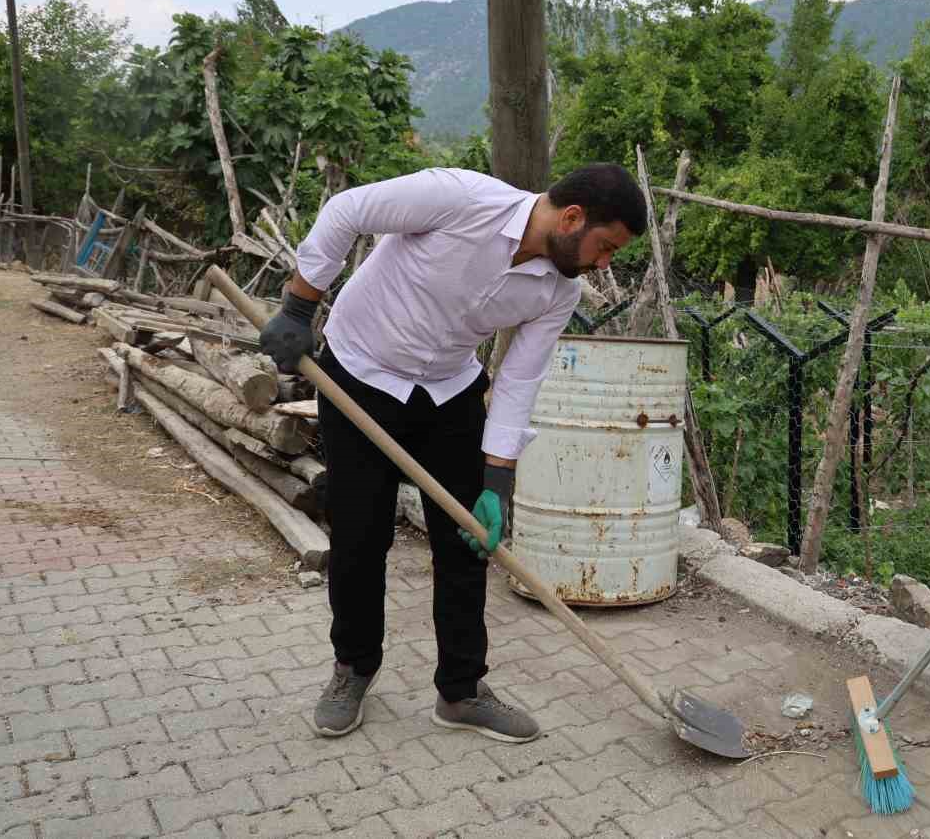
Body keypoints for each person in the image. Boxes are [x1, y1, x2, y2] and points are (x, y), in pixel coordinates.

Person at [258, 163, 646, 742]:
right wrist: (298, 304)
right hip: (360, 372)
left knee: (467, 543)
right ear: (572, 218)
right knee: (361, 538)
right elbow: (347, 211)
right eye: (606, 246)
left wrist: (497, 480)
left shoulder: (558, 291)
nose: (604, 263)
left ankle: (461, 690)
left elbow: (518, 380)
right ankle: (353, 669)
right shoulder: (461, 198)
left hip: (449, 389)